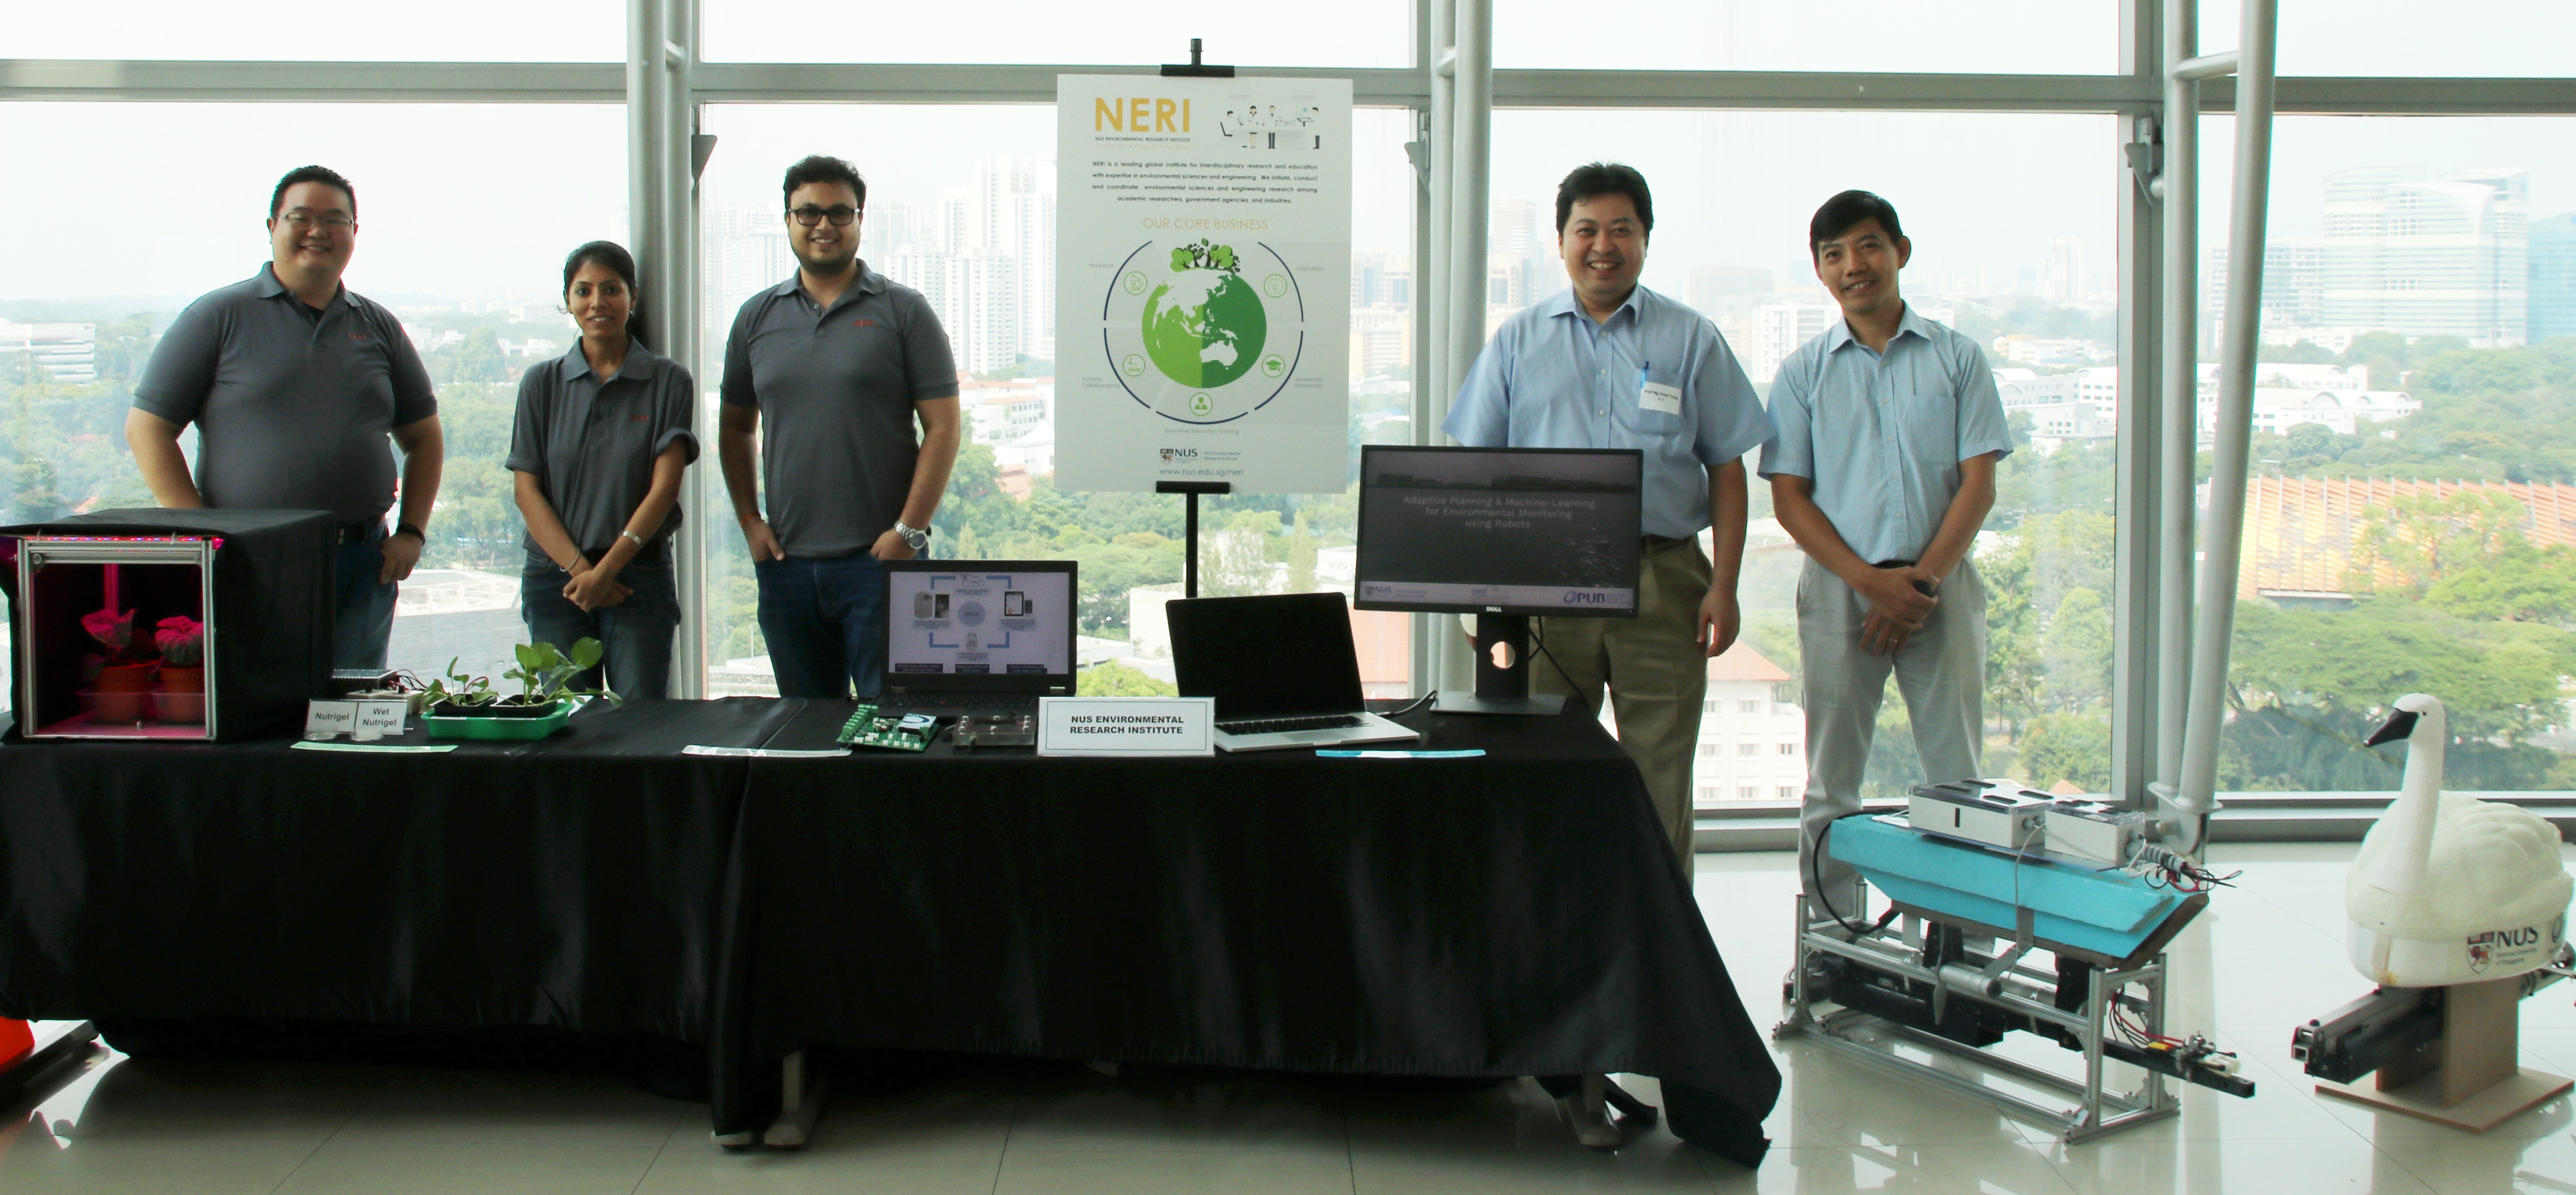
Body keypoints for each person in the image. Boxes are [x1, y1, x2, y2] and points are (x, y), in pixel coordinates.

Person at [1445, 162, 1775, 875]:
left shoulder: (1691, 338)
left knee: (1661, 781)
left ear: (1646, 239)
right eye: (1587, 229)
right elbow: (1478, 470)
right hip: (1541, 583)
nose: (1604, 245)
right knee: (1544, 772)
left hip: (1664, 578)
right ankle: (1551, 930)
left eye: (1621, 229)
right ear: (1561, 240)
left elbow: (1728, 469)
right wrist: (1479, 593)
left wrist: (1724, 585)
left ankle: (1660, 938)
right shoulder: (1518, 339)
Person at [1759, 190, 2014, 913]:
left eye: (1869, 246)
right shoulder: (1802, 373)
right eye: (1834, 254)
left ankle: (1959, 941)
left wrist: (1918, 586)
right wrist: (1872, 583)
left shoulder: (1958, 358)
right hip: (1840, 590)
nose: (1854, 265)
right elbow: (1790, 499)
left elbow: (1979, 485)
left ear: (1901, 251)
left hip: (1942, 588)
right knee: (1831, 782)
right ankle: (1830, 938)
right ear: (1819, 269)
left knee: (1958, 782)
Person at [128, 164, 443, 670]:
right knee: (256, 708)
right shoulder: (217, 317)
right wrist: (201, 535)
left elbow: (424, 438)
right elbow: (148, 429)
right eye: (302, 217)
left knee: (350, 707)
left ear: (354, 233)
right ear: (273, 226)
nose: (319, 231)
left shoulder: (378, 326)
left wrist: (412, 532)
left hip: (360, 563)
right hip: (249, 563)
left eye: (336, 219)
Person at [719, 155, 961, 699]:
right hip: (786, 566)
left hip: (881, 562)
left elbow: (944, 428)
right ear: (787, 220)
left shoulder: (904, 311)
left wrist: (910, 532)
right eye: (807, 213)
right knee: (806, 729)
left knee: (896, 723)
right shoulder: (756, 318)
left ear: (859, 220)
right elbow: (735, 429)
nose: (823, 225)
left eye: (839, 212)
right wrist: (750, 522)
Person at [507, 241, 696, 699]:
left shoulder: (669, 380)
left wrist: (607, 572)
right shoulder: (542, 383)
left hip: (637, 576)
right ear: (568, 300)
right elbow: (527, 491)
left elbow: (664, 490)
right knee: (565, 719)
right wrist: (583, 572)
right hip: (556, 579)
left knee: (641, 717)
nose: (598, 302)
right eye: (584, 291)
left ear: (632, 297)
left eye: (611, 289)